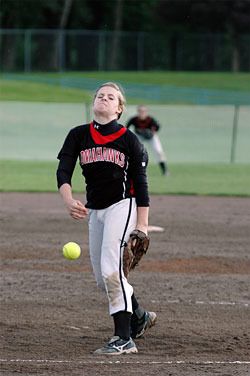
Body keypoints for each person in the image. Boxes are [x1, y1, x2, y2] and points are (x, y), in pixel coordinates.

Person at [56, 82, 156, 355]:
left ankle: (124, 338)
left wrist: (142, 225)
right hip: (95, 210)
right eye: (100, 95)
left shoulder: (129, 140)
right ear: (94, 103)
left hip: (122, 206)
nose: (104, 98)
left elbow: (141, 184)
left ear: (119, 108)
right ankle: (139, 316)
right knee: (104, 279)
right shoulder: (78, 135)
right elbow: (63, 171)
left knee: (112, 269)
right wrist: (68, 200)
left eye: (111, 96)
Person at [126, 105, 168, 175]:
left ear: (146, 112)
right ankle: (134, 170)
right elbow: (126, 128)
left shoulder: (150, 119)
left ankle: (165, 171)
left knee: (158, 152)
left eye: (144, 111)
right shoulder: (134, 119)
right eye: (140, 111)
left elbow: (157, 127)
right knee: (135, 151)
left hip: (151, 137)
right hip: (139, 136)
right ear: (138, 112)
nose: (142, 113)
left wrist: (152, 131)